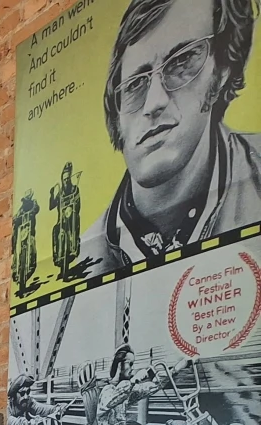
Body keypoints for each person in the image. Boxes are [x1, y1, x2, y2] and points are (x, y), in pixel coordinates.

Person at [81, 0, 261, 272]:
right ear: (116, 113)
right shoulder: (83, 261)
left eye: (182, 61)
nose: (154, 102)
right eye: (135, 84)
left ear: (223, 69)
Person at [13, 190, 41, 296]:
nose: (25, 202)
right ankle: (16, 269)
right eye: (24, 201)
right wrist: (15, 219)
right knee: (16, 248)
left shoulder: (33, 203)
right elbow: (17, 216)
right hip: (22, 233)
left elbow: (36, 208)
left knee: (32, 247)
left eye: (26, 200)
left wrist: (32, 211)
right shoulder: (21, 208)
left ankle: (31, 264)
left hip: (30, 233)